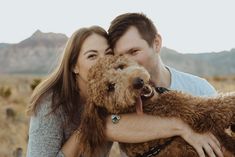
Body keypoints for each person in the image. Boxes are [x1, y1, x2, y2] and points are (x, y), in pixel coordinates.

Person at [106, 13, 224, 157]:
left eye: (134, 51)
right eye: (121, 57)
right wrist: (183, 128)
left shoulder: (199, 88)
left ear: (156, 43)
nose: (129, 63)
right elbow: (109, 124)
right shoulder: (120, 98)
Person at [26, 26, 114, 157]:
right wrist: (86, 128)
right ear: (74, 66)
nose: (104, 62)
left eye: (108, 53)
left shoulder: (112, 95)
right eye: (92, 56)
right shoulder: (51, 103)